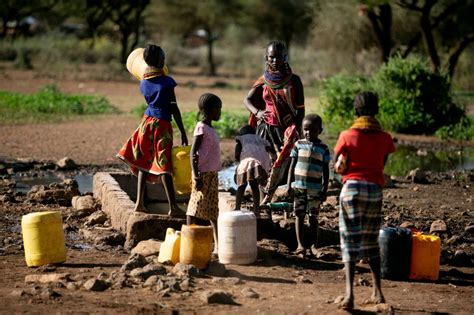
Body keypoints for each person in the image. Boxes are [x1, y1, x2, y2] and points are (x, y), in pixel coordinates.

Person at [334, 91, 396, 310]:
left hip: (350, 190)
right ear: (376, 111)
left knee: (349, 241)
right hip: (373, 190)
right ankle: (378, 293)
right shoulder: (385, 138)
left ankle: (349, 295)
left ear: (355, 111)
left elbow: (338, 165)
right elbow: (382, 164)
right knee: (371, 241)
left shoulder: (346, 136)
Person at [117, 44, 188, 216]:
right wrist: (183, 131)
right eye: (163, 58)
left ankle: (140, 203)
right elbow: (174, 108)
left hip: (147, 123)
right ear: (158, 61)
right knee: (164, 165)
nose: (165, 60)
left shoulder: (144, 81)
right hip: (162, 125)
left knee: (143, 161)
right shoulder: (167, 83)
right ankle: (173, 207)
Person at [243, 40, 305, 206]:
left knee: (284, 165)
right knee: (264, 165)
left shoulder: (294, 81)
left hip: (286, 130)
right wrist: (258, 112)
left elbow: (301, 110)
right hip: (266, 130)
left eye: (278, 57)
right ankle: (264, 198)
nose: (275, 61)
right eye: (272, 57)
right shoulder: (263, 80)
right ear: (266, 58)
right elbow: (247, 99)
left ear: (285, 57)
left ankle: (279, 200)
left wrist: (296, 130)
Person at [285, 114, 330, 257]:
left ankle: (314, 246)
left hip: (315, 188)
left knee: (314, 217)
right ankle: (300, 245)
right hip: (298, 186)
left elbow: (326, 170)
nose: (308, 133)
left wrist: (325, 189)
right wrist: (288, 185)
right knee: (299, 215)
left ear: (320, 131)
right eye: (305, 130)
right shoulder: (298, 144)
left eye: (312, 130)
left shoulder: (323, 148)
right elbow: (291, 166)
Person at [186, 93, 222, 255]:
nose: (220, 112)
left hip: (212, 173)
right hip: (202, 174)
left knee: (213, 210)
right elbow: (193, 152)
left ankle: (218, 244)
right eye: (218, 109)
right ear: (210, 110)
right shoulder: (201, 127)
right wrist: (195, 175)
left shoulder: (210, 128)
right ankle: (188, 240)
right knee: (195, 207)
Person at [234, 124, 273, 217]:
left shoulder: (242, 139)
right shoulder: (260, 139)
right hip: (259, 164)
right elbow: (269, 148)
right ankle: (256, 209)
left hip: (247, 161)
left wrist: (239, 162)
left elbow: (237, 154)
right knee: (254, 186)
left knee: (241, 186)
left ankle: (237, 207)